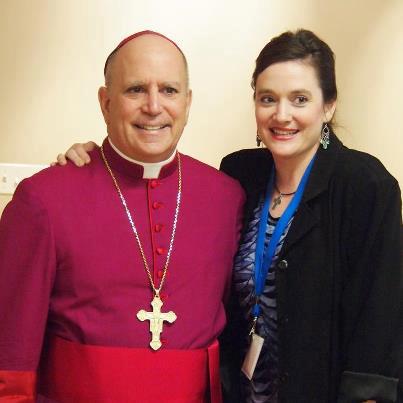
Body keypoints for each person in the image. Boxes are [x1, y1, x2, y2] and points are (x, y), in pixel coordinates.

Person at [58, 29, 402, 403]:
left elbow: (379, 318)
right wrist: (98, 160)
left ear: (329, 106)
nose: (282, 114)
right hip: (242, 391)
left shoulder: (365, 186)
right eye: (268, 98)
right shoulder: (241, 174)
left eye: (300, 99)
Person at [0, 31, 245, 402]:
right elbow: (10, 356)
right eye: (135, 90)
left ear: (188, 102)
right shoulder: (44, 198)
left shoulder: (226, 197)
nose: (153, 106)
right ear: (106, 102)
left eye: (169, 90)